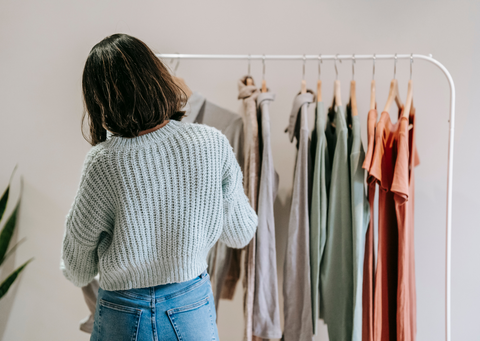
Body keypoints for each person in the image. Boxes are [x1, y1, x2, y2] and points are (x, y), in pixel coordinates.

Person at [60, 33, 258, 341]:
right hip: (190, 306)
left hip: (122, 312)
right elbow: (241, 232)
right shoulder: (211, 143)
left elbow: (77, 269)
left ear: (99, 100)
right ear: (157, 78)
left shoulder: (103, 163)